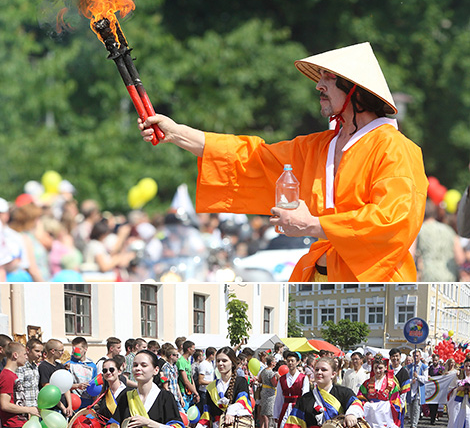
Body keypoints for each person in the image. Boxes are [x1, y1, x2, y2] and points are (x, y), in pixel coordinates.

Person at [139, 41, 428, 282]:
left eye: (328, 77)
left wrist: (314, 224)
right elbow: (252, 158)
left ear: (354, 89)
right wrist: (177, 133)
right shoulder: (320, 146)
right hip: (319, 278)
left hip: (377, 284)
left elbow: (393, 221)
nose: (318, 85)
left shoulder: (395, 148)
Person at [267, 352, 309, 428]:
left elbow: (305, 396)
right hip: (285, 408)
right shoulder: (282, 379)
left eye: (292, 361)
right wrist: (276, 414)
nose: (290, 363)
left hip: (298, 409)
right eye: (288, 361)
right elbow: (279, 397)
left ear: (297, 362)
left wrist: (305, 413)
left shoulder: (303, 378)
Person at [443, 357, 470, 428]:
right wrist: (459, 388)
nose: (468, 368)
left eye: (469, 366)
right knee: (459, 423)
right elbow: (450, 389)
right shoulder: (459, 377)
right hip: (460, 403)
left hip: (469, 404)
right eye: (466, 366)